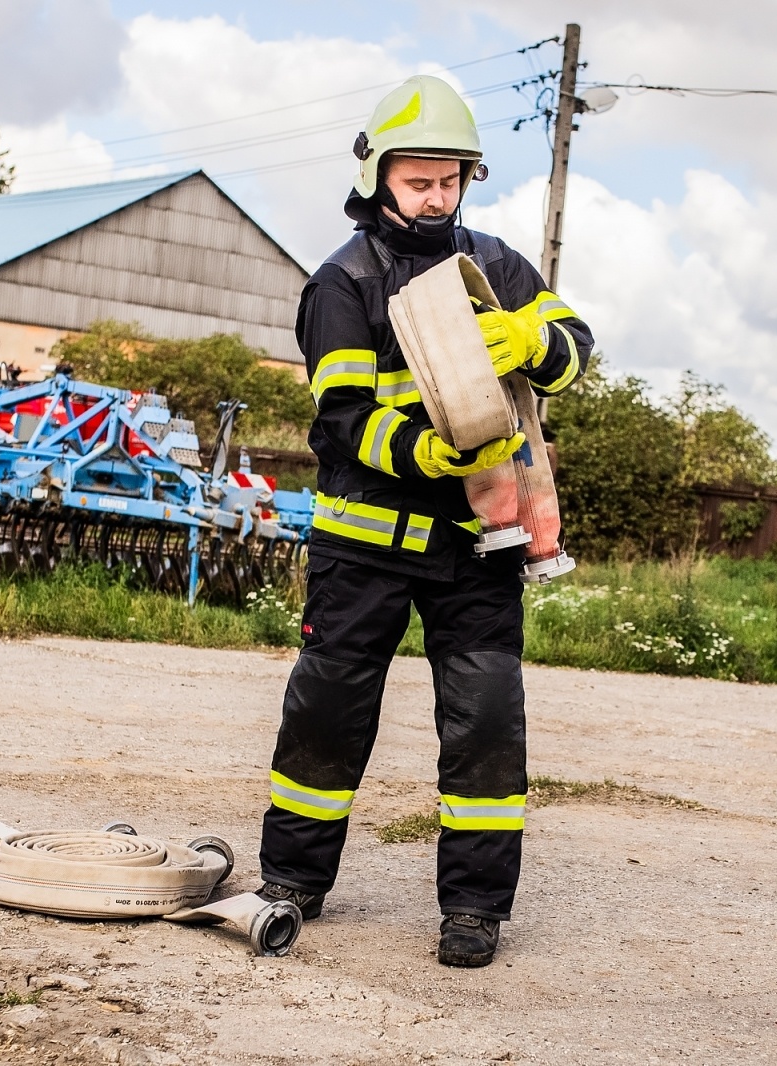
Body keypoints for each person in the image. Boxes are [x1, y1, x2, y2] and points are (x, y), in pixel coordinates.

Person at [255, 75, 594, 967]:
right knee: (327, 714)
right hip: (362, 549)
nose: (438, 196)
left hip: (479, 551)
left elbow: (576, 348)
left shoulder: (500, 268)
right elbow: (340, 419)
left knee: (485, 723)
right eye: (419, 181)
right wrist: (425, 457)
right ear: (379, 180)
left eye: (450, 179)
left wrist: (533, 342)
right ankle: (293, 881)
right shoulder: (343, 283)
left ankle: (475, 910)